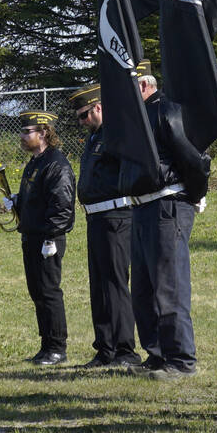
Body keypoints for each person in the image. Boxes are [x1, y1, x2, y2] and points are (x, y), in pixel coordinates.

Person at [132, 71, 213, 379]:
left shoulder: (166, 109)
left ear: (143, 85)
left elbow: (194, 158)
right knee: (143, 288)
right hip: (142, 205)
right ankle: (157, 353)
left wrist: (195, 194)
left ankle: (180, 359)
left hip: (167, 205)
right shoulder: (137, 115)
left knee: (169, 285)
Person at [70, 84, 142, 369]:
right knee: (99, 286)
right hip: (96, 218)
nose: (82, 121)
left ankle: (125, 350)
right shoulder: (95, 137)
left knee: (115, 284)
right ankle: (105, 348)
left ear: (99, 107)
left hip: (116, 218)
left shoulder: (117, 134)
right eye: (79, 117)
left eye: (85, 115)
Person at [10, 110, 75, 365]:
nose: (23, 136)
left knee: (49, 292)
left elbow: (62, 206)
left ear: (44, 133)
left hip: (48, 239)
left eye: (28, 132)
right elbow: (36, 199)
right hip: (32, 236)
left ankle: (58, 347)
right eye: (23, 132)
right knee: (37, 292)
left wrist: (51, 238)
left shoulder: (56, 164)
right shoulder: (35, 162)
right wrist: (16, 201)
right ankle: (46, 345)